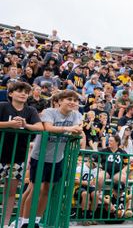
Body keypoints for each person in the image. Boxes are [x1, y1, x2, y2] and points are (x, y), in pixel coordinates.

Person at [20, 90, 83, 228]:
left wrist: (74, 129)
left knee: (47, 190)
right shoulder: (49, 112)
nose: (72, 102)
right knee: (35, 189)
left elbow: (79, 129)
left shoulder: (77, 115)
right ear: (59, 101)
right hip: (40, 156)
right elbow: (48, 128)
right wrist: (70, 129)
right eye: (68, 99)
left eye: (75, 100)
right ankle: (24, 222)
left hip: (57, 158)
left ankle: (35, 221)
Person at [0, 82, 43, 228]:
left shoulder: (30, 110)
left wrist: (25, 125)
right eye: (19, 91)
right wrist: (9, 125)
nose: (23, 93)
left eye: (26, 91)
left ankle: (4, 224)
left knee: (10, 193)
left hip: (18, 157)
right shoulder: (2, 106)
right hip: (0, 154)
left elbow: (39, 127)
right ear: (11, 94)